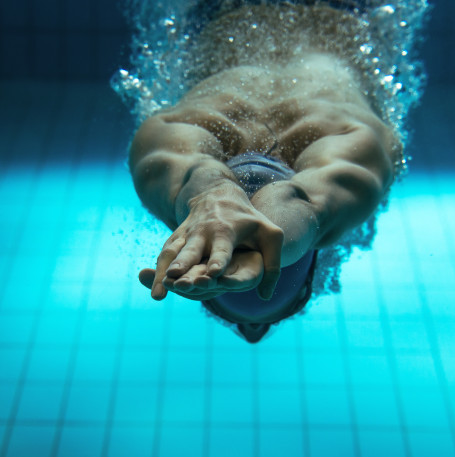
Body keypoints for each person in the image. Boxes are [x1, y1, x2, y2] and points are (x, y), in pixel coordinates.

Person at [129, 2, 400, 342]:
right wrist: (212, 196)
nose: (252, 334)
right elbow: (299, 203)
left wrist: (214, 195)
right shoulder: (170, 138)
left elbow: (306, 203)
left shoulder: (358, 148)